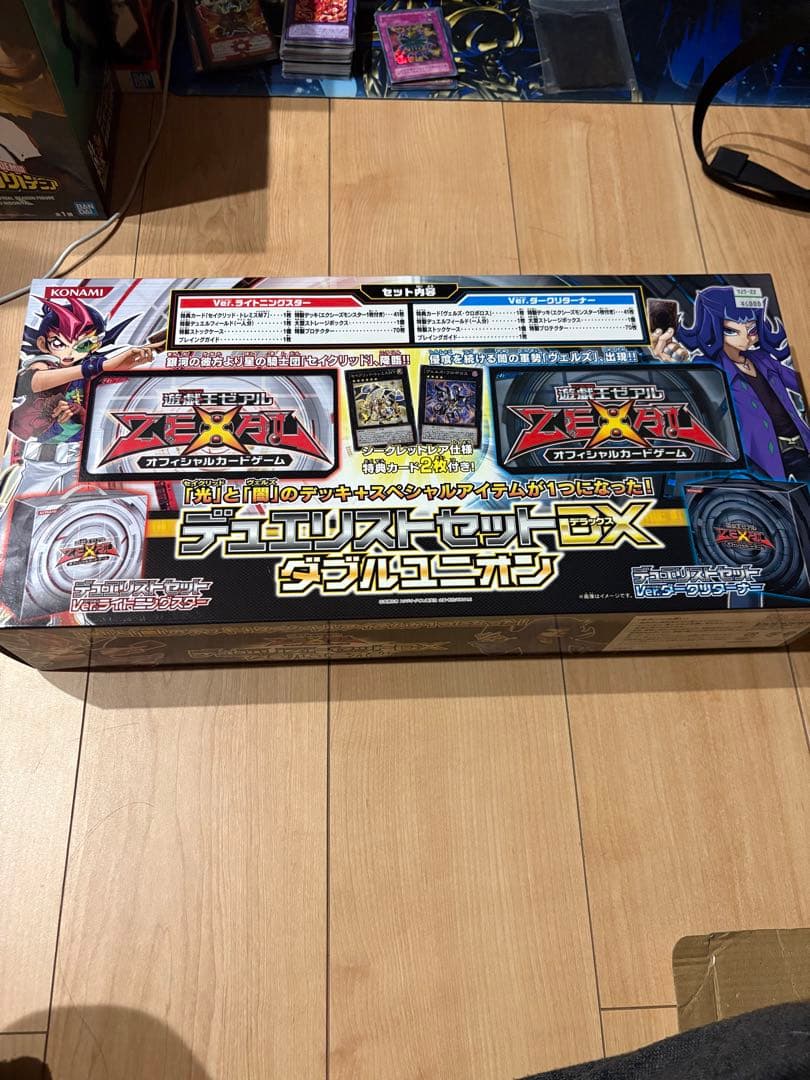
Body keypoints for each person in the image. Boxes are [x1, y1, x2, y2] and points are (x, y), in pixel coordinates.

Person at [652, 285, 810, 483]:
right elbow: (692, 398)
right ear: (713, 328)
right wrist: (675, 363)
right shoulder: (709, 366)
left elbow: (799, 381)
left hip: (802, 447)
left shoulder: (762, 359)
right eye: (733, 331)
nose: (747, 338)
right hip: (762, 459)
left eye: (752, 329)